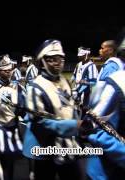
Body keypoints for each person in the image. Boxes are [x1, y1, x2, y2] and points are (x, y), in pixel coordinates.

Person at [23, 40, 86, 180]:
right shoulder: (35, 87)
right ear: (42, 62)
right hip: (45, 147)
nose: (58, 62)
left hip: (68, 145)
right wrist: (75, 126)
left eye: (60, 58)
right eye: (52, 59)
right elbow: (41, 123)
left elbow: (70, 108)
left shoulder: (64, 80)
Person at [79, 36, 125, 179]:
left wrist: (83, 85)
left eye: (102, 47)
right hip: (107, 168)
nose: (100, 50)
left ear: (111, 50)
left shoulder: (111, 68)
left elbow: (96, 88)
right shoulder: (115, 72)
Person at [71, 47, 98, 115]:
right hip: (76, 89)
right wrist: (71, 80)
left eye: (81, 56)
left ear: (86, 55)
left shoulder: (91, 66)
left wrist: (85, 82)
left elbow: (94, 82)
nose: (79, 57)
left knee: (83, 108)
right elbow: (74, 75)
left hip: (85, 92)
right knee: (74, 106)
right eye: (79, 56)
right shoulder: (78, 64)